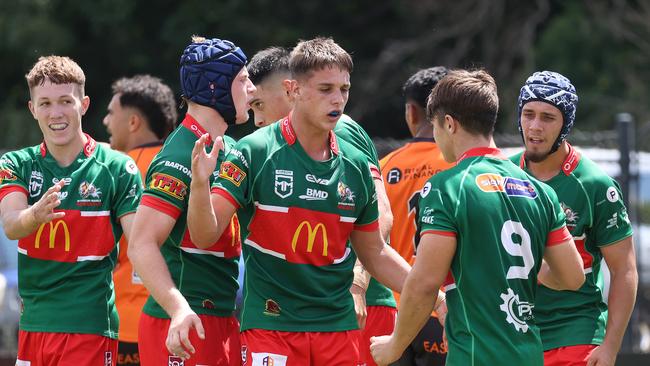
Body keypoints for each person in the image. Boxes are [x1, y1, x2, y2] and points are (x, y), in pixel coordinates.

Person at [187, 37, 411, 365]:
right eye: (325, 89)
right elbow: (205, 235)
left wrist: (434, 297)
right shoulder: (254, 151)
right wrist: (199, 186)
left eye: (344, 89)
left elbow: (375, 252)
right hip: (270, 326)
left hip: (338, 330)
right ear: (294, 90)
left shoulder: (355, 163)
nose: (337, 100)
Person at [370, 69, 586, 366]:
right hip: (528, 353)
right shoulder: (540, 191)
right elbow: (572, 277)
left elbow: (424, 282)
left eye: (434, 127)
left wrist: (394, 345)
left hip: (475, 354)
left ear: (449, 124)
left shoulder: (447, 187)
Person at [248, 45, 399, 366]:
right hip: (301, 315)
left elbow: (382, 216)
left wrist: (357, 283)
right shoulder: (270, 148)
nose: (258, 119)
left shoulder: (339, 128)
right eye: (251, 108)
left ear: (290, 91)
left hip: (358, 303)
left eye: (260, 104)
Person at [0, 56, 142, 365]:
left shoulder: (117, 166)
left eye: (66, 101)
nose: (56, 112)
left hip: (88, 327)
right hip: (33, 326)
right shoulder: (16, 164)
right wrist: (34, 216)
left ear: (84, 104)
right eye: (46, 103)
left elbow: (142, 244)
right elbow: (11, 225)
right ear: (32, 108)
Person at [127, 37, 255, 365]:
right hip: (184, 325)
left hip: (221, 318)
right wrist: (178, 308)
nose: (252, 89)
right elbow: (141, 244)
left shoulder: (229, 148)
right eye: (242, 80)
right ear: (214, 88)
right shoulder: (179, 154)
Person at [510, 71, 638, 366]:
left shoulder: (595, 185)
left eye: (547, 117)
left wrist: (610, 347)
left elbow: (625, 270)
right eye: (528, 114)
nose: (535, 126)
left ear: (566, 123)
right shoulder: (500, 175)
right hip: (511, 332)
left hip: (575, 335)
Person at [379, 66, 454, 365]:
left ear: (411, 113)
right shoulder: (459, 168)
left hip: (394, 310)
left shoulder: (382, 168)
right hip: (443, 309)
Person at [103, 74, 177, 366]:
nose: (106, 122)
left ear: (133, 123)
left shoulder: (110, 171)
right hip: (175, 320)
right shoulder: (185, 166)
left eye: (111, 113)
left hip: (121, 325)